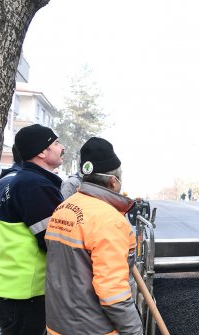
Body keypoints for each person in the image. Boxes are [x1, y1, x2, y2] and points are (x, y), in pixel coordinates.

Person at [45, 137, 142, 335]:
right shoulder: (109, 220)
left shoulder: (64, 207)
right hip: (94, 328)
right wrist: (134, 331)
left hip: (58, 324)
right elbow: (113, 293)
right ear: (114, 181)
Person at [0, 124, 65, 335]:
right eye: (56, 143)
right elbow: (54, 242)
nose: (62, 147)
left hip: (9, 286)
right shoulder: (35, 186)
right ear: (42, 152)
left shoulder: (18, 181)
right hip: (25, 293)